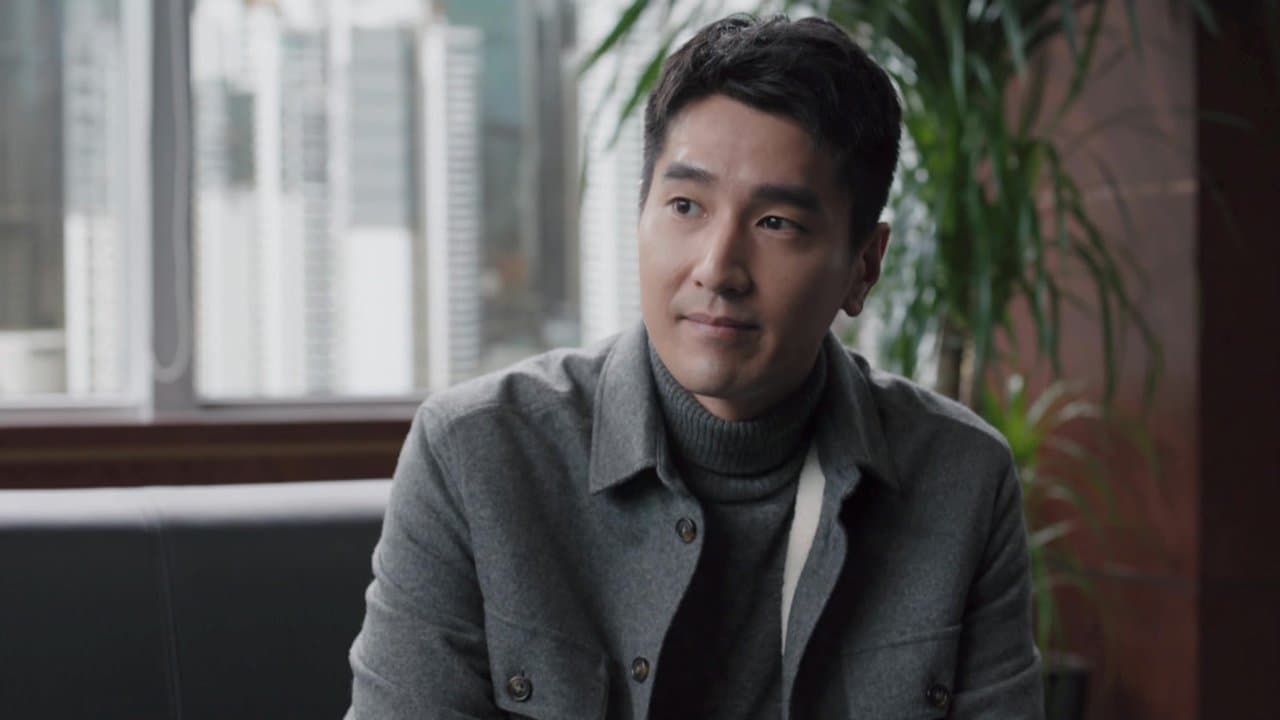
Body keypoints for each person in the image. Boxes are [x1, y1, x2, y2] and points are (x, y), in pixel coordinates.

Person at [347, 13, 1043, 719]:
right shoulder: (475, 456)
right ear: (640, 215)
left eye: (777, 223)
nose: (718, 268)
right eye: (685, 205)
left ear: (863, 267)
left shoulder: (962, 481)